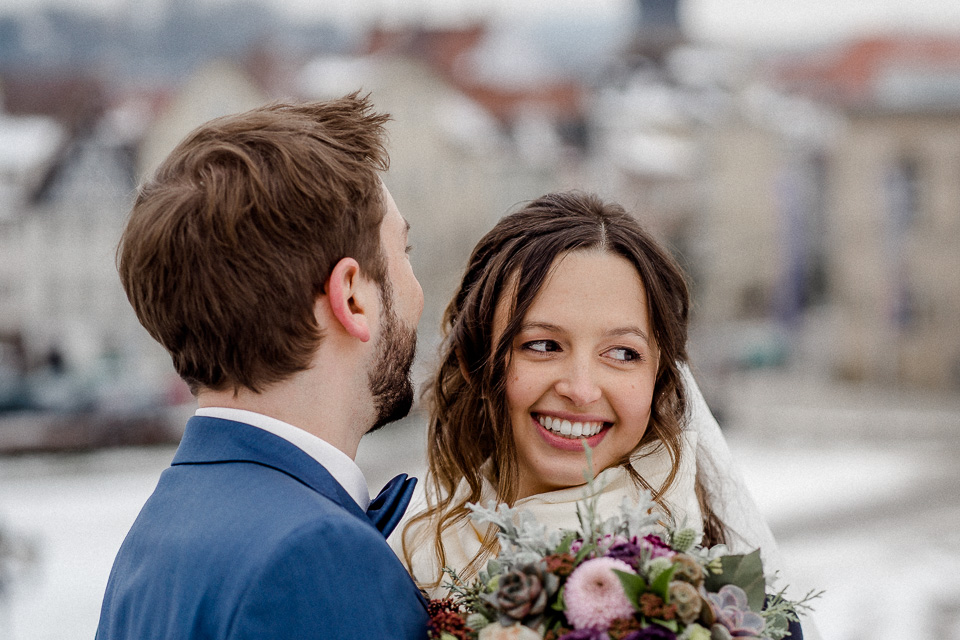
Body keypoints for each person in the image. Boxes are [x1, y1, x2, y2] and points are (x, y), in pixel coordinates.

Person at [394, 191, 804, 637]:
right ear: (478, 362)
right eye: (543, 345)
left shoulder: (737, 612)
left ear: (659, 378)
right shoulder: (402, 567)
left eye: (622, 353)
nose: (581, 390)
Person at [97, 95, 428, 639]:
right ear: (351, 296)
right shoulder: (318, 556)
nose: (416, 293)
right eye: (404, 252)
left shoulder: (159, 531)